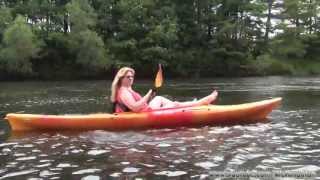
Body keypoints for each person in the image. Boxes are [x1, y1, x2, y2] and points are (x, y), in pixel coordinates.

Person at [110, 67, 218, 113]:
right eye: (127, 77)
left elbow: (137, 105)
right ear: (121, 78)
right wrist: (148, 94)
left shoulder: (127, 89)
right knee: (175, 104)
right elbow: (135, 107)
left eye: (131, 76)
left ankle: (190, 104)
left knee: (159, 98)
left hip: (145, 109)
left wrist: (150, 97)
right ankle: (201, 102)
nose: (130, 78)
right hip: (144, 112)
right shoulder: (123, 91)